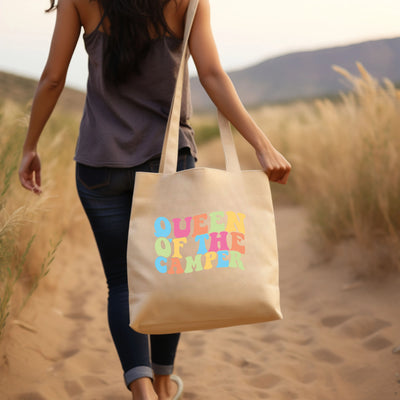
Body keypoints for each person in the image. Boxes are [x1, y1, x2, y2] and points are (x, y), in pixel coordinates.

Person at [19, 0, 291, 398]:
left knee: (122, 283)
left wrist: (30, 145)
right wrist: (262, 145)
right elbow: (212, 75)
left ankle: (141, 389)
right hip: (168, 163)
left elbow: (53, 79)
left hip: (100, 164)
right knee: (170, 272)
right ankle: (163, 385)